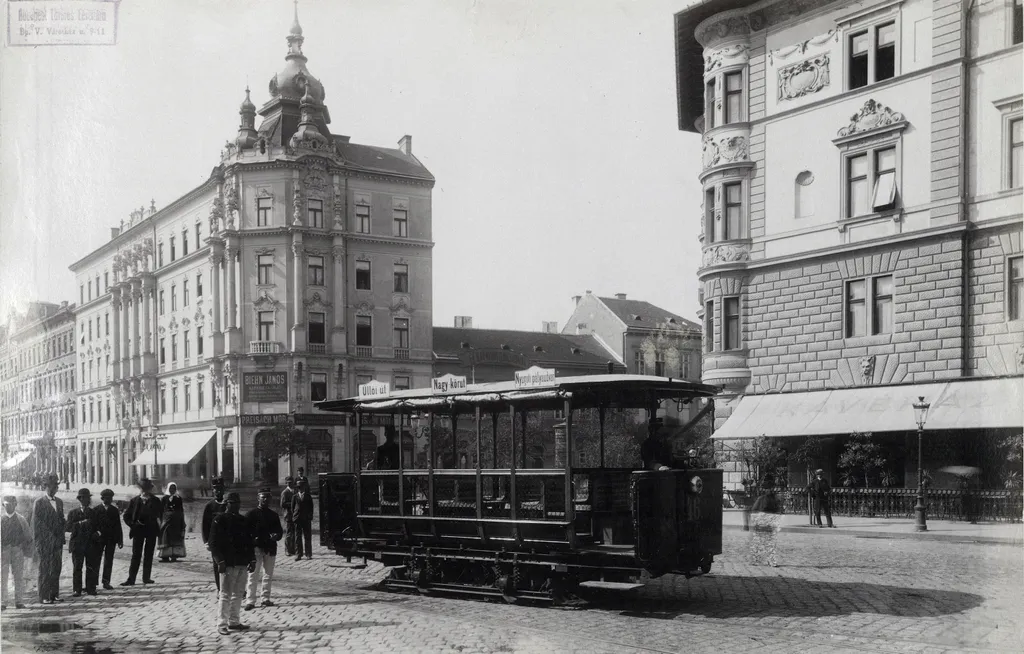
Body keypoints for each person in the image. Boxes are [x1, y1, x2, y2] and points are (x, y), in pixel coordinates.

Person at [209, 492, 256, 635]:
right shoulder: (219, 520)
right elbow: (213, 543)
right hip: (228, 563)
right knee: (225, 594)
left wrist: (252, 559)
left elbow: (249, 542)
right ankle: (221, 624)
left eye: (238, 503)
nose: (236, 506)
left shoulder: (243, 520)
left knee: (238, 593)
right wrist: (220, 561)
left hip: (242, 562)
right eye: (233, 503)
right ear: (226, 504)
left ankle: (234, 621)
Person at [244, 488, 283, 610]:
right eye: (263, 497)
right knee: (253, 575)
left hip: (270, 548)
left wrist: (276, 536)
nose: (265, 499)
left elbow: (280, 531)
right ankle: (250, 600)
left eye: (267, 497)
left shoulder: (274, 515)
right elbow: (245, 533)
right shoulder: (251, 515)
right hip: (256, 548)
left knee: (268, 574)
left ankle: (265, 598)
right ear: (258, 498)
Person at [32, 473, 66, 604]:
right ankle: (44, 596)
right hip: (44, 542)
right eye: (50, 486)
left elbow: (61, 519)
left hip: (57, 541)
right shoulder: (39, 503)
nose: (53, 489)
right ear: (45, 487)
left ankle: (54, 594)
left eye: (55, 486)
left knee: (56, 568)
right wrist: (38, 543)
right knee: (44, 569)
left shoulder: (59, 502)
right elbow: (36, 525)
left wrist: (64, 528)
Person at [121, 478, 162, 586]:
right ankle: (131, 579)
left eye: (147, 488)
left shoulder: (156, 501)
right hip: (138, 531)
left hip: (151, 531)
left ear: (150, 489)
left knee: (149, 555)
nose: (144, 491)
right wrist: (133, 524)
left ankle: (146, 578)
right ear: (139, 489)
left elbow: (161, 514)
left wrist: (157, 524)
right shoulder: (134, 501)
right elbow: (126, 516)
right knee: (136, 555)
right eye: (142, 489)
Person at [65, 488, 102, 597]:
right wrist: (80, 523)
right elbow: (68, 527)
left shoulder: (93, 512)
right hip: (77, 544)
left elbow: (100, 527)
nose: (86, 500)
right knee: (77, 567)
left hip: (91, 544)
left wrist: (98, 533)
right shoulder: (73, 513)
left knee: (91, 567)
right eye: (83, 498)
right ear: (79, 499)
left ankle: (91, 588)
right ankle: (77, 589)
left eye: (87, 498)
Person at [1, 495, 31, 609]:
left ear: (15, 505)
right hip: (3, 550)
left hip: (17, 550)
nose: (8, 507)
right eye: (6, 505)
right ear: (3, 505)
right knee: (3, 576)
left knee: (18, 576)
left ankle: (19, 601)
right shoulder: (1, 519)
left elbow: (28, 536)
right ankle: (3, 602)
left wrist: (24, 549)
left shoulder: (21, 519)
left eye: (11, 504)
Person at [202, 477, 228, 591]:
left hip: (228, 539)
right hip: (215, 540)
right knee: (217, 564)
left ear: (224, 489)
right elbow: (205, 525)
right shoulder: (209, 506)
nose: (218, 491)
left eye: (220, 488)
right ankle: (219, 589)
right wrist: (206, 541)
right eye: (216, 489)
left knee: (230, 564)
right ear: (213, 490)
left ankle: (229, 587)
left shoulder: (228, 504)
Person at [95, 489, 123, 590]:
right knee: (96, 560)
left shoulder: (114, 510)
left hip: (111, 539)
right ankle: (94, 582)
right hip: (99, 539)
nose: (110, 500)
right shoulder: (96, 510)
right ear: (102, 498)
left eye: (111, 498)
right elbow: (93, 525)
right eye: (107, 498)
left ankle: (106, 581)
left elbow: (118, 525)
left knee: (109, 560)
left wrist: (120, 540)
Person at [748, 488, 783, 567]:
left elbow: (754, 509)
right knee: (770, 543)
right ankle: (771, 561)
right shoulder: (774, 500)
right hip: (770, 521)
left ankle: (754, 560)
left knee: (757, 542)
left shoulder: (760, 499)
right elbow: (778, 510)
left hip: (760, 520)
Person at [158, 482, 187, 562]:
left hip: (176, 521)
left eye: (174, 488)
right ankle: (165, 555)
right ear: (168, 488)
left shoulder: (178, 498)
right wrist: (160, 520)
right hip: (166, 520)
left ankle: (174, 554)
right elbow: (160, 510)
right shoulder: (164, 498)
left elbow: (181, 510)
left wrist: (182, 520)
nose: (172, 490)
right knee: (165, 537)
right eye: (171, 488)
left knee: (175, 537)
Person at [291, 480, 314, 560]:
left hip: (306, 519)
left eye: (302, 487)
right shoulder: (294, 497)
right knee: (298, 537)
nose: (300, 489)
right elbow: (292, 508)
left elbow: (311, 508)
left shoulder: (308, 496)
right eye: (299, 487)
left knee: (307, 536)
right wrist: (295, 516)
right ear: (297, 488)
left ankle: (308, 554)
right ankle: (298, 554)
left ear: (304, 488)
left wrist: (309, 517)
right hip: (297, 519)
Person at [280, 476, 296, 557]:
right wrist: (292, 503)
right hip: (288, 515)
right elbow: (282, 504)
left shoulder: (295, 491)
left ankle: (293, 549)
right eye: (288, 482)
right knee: (289, 533)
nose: (290, 484)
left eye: (291, 482)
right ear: (286, 483)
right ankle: (287, 550)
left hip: (295, 515)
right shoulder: (285, 492)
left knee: (294, 533)